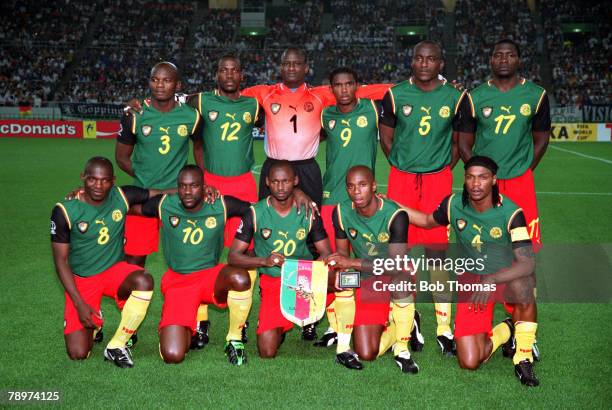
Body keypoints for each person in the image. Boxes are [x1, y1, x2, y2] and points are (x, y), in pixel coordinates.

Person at [404, 156, 539, 386]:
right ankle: (507, 329)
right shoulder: (454, 204)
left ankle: (523, 358)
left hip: (504, 277)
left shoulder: (511, 213)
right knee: (470, 360)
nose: (476, 184)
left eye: (483, 178)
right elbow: (427, 220)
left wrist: (493, 278)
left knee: (524, 285)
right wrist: (391, 206)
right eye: (470, 177)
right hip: (473, 281)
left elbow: (526, 264)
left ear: (494, 180)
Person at [457, 38, 550, 361]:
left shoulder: (536, 95)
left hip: (520, 186)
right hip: (485, 188)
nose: (504, 59)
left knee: (525, 260)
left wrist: (522, 170)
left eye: (510, 54)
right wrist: (481, 176)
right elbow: (464, 143)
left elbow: (541, 138)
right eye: (498, 54)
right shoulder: (475, 97)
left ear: (519, 59)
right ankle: (490, 318)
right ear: (490, 59)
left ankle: (525, 332)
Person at [379, 40, 470, 355]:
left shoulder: (456, 98)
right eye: (419, 58)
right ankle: (408, 318)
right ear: (412, 61)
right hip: (401, 180)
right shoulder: (395, 94)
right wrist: (403, 166)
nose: (424, 63)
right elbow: (386, 137)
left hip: (437, 182)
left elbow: (459, 143)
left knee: (436, 254)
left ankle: (444, 327)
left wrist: (440, 169)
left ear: (440, 63)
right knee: (400, 251)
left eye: (431, 59)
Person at [228, 161, 362, 370]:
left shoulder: (308, 212)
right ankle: (282, 321)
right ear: (267, 183)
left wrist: (315, 268)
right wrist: (264, 260)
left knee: (343, 277)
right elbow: (233, 256)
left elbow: (326, 251)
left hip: (304, 279)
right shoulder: (255, 212)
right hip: (274, 282)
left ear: (295, 182)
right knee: (267, 351)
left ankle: (343, 348)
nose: (280, 187)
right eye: (275, 182)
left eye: (286, 181)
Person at [50, 157, 164, 368]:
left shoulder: (121, 195)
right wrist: (79, 303)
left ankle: (117, 344)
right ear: (83, 177)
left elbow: (158, 193)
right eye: (92, 179)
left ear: (113, 181)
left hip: (114, 272)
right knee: (78, 353)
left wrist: (198, 191)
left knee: (143, 280)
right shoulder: (65, 210)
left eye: (104, 181)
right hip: (83, 280)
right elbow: (61, 261)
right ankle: (95, 318)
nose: (98, 186)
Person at [137, 166, 254, 365]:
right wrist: (84, 197)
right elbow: (126, 205)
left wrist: (297, 194)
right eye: (182, 186)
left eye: (194, 186)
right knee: (173, 355)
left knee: (240, 277)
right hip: (178, 283)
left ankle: (234, 339)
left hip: (211, 277)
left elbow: (257, 210)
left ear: (204, 187)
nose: (188, 191)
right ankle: (181, 323)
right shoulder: (165, 204)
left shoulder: (221, 205)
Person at [184, 55, 262, 349]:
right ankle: (200, 321)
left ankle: (239, 323)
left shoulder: (254, 105)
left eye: (234, 70)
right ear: (216, 74)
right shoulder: (201, 101)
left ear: (242, 76)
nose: (229, 74)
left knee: (245, 251)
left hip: (244, 184)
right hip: (211, 186)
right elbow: (167, 103)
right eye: (223, 69)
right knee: (205, 251)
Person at [325, 166, 419, 374]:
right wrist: (342, 271)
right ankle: (345, 344)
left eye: (362, 185)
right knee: (367, 352)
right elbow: (342, 257)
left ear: (374, 186)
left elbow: (395, 265)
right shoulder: (341, 212)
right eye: (351, 186)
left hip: (392, 273)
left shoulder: (396, 215)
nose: (356, 191)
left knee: (401, 283)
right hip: (365, 277)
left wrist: (351, 264)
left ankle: (402, 349)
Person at [313, 67, 380, 348]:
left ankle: (382, 312)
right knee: (336, 259)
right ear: (331, 89)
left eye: (348, 84)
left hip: (362, 198)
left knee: (367, 257)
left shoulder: (373, 110)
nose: (343, 90)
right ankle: (335, 322)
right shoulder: (325, 115)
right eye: (337, 85)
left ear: (357, 86)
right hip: (333, 195)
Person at [115, 62, 204, 269]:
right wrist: (144, 177)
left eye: (166, 80)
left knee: (188, 259)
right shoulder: (134, 114)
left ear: (178, 85)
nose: (160, 85)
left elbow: (199, 150)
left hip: (180, 197)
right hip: (143, 194)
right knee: (134, 261)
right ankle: (132, 300)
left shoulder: (191, 116)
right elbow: (121, 157)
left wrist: (201, 181)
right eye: (155, 79)